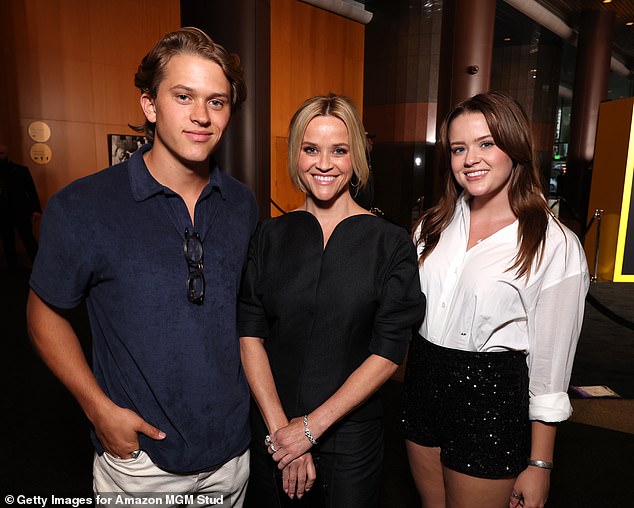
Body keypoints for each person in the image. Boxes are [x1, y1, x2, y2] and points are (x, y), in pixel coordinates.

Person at [26, 27, 257, 506]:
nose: (202, 116)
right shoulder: (83, 206)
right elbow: (43, 313)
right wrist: (98, 409)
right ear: (150, 106)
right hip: (142, 466)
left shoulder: (242, 205)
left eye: (217, 102)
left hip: (232, 456)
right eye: (183, 96)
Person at [401, 91, 589, 508]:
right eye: (458, 148)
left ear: (515, 146)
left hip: (489, 395)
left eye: (486, 143)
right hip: (423, 383)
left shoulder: (552, 243)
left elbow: (550, 367)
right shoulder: (433, 225)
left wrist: (540, 463)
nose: (471, 159)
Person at [238, 93, 426, 508]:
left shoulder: (390, 243)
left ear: (355, 157)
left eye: (338, 150)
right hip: (273, 429)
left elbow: (388, 351)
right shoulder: (268, 236)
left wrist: (310, 428)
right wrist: (283, 434)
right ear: (295, 155)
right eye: (310, 149)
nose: (324, 163)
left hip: (350, 437)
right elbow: (250, 335)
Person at [0, 143, 41, 269]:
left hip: (20, 210)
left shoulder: (21, 170)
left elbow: (31, 190)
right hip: (3, 211)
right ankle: (13, 266)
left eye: (1, 153)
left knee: (28, 238)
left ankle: (39, 265)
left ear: (7, 154)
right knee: (8, 241)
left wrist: (36, 209)